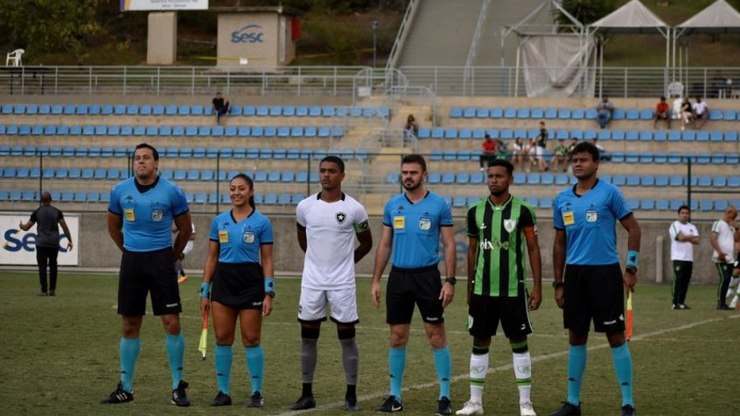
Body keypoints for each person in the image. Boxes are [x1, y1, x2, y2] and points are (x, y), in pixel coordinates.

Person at [549, 141, 641, 416]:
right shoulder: (562, 198)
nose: (578, 164)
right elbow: (559, 243)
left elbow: (634, 229)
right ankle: (572, 402)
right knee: (576, 335)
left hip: (605, 273)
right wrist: (559, 282)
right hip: (575, 275)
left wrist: (631, 268)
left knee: (615, 335)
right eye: (575, 160)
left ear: (596, 163)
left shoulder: (610, 193)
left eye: (584, 160)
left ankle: (627, 402)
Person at [102, 143, 193, 406]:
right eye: (137, 158)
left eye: (146, 158)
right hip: (132, 261)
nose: (141, 162)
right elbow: (112, 227)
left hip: (162, 260)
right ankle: (125, 388)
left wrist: (171, 257)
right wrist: (128, 251)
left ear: (156, 163)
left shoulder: (172, 191)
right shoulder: (120, 191)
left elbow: (185, 229)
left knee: (171, 322)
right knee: (130, 324)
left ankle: (177, 386)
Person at [371, 154, 457, 415]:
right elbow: (385, 244)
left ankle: (444, 396)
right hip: (399, 277)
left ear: (424, 175)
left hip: (427, 277)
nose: (408, 176)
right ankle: (394, 396)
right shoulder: (392, 205)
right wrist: (376, 279)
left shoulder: (439, 204)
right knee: (397, 337)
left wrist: (450, 281)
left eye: (413, 172)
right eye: (405, 172)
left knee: (436, 336)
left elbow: (449, 244)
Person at [455, 159, 542, 416]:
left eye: (499, 176)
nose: (493, 180)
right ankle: (475, 402)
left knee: (519, 342)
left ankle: (525, 403)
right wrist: (469, 285)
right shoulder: (475, 211)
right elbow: (472, 251)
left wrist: (537, 287)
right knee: (479, 341)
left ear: (510, 179)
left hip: (513, 290)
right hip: (482, 290)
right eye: (490, 176)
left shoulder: (523, 210)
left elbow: (533, 248)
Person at [291, 155, 373, 411]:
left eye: (332, 171)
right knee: (308, 338)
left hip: (342, 284)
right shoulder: (305, 207)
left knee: (347, 338)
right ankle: (307, 394)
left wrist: (346, 262)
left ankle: (351, 394)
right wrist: (318, 262)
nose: (326, 175)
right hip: (312, 282)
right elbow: (304, 241)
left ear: (342, 175)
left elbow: (367, 242)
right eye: (323, 171)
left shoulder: (355, 209)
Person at [200, 173, 274, 408]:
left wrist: (268, 291)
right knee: (223, 338)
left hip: (250, 283)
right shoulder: (219, 221)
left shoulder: (262, 222)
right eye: (232, 189)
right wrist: (204, 290)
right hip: (223, 282)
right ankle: (223, 392)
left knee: (251, 339)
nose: (236, 193)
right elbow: (212, 257)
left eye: (241, 188)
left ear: (251, 191)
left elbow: (268, 259)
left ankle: (256, 392)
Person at [19, 191, 74, 296]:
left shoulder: (37, 212)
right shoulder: (57, 212)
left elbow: (26, 227)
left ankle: (44, 290)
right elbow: (64, 226)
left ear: (41, 200)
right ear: (51, 200)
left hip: (41, 243)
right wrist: (69, 240)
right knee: (53, 266)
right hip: (53, 243)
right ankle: (52, 290)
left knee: (42, 267)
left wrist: (21, 226)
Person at [669, 205, 699, 310]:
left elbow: (697, 241)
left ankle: (681, 302)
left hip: (689, 258)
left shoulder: (692, 226)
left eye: (687, 213)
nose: (685, 215)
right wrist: (690, 237)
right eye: (683, 213)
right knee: (678, 279)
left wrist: (686, 237)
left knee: (686, 281)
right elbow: (679, 237)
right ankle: (674, 302)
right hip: (678, 257)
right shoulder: (675, 225)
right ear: (679, 214)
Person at [710, 205, 737, 310]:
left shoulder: (731, 227)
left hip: (730, 259)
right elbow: (713, 238)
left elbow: (737, 239)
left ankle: (723, 302)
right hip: (720, 257)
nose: (734, 218)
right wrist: (719, 252)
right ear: (728, 213)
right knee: (724, 278)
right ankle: (720, 302)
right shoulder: (718, 223)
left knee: (727, 280)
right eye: (733, 215)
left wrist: (737, 227)